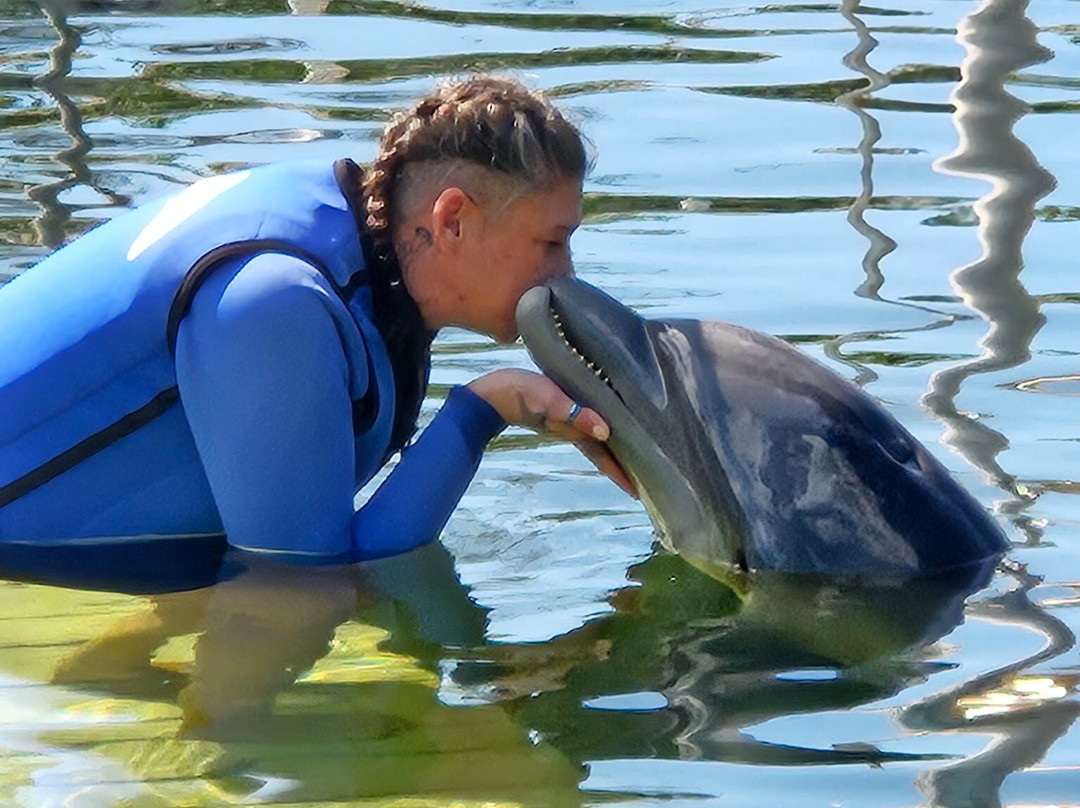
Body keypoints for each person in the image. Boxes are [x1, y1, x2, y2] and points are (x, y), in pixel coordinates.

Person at [0, 75, 634, 560]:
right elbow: (298, 588)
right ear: (452, 221)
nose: (566, 275)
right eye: (551, 243)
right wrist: (481, 412)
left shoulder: (351, 246)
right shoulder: (279, 304)